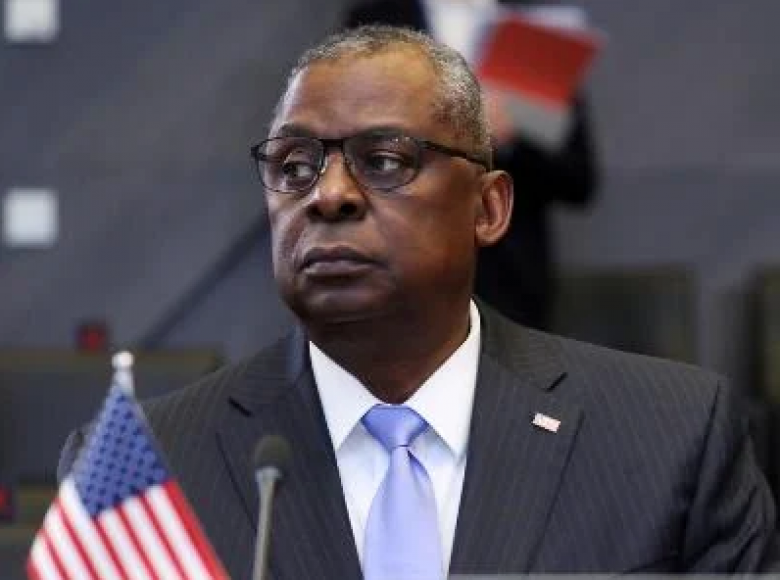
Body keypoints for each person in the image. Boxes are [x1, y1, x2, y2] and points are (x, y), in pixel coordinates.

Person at [59, 25, 777, 580]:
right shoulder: (143, 468)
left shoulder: (671, 438)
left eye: (385, 161)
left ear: (488, 208)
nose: (329, 195)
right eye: (295, 166)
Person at [342, 0, 600, 330]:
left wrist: (512, 137)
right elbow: (350, 140)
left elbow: (577, 177)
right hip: (399, 265)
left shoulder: (537, 30)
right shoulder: (375, 20)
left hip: (511, 282)